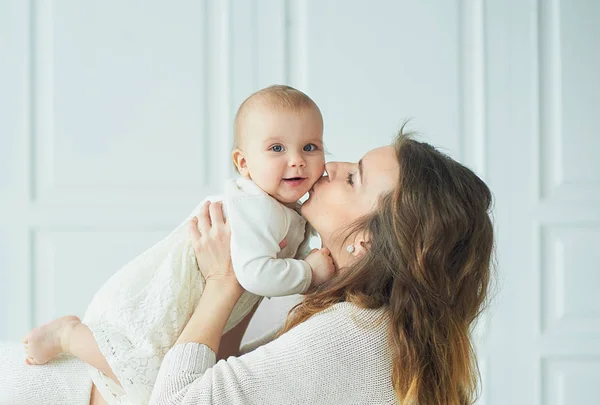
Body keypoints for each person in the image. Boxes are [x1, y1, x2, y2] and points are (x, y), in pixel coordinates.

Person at [17, 85, 336, 405]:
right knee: (152, 375)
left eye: (310, 147)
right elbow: (256, 274)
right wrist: (309, 271)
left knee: (186, 378)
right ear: (244, 163)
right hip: (174, 295)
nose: (296, 161)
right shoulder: (257, 208)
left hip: (206, 307)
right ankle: (69, 335)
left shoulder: (283, 208)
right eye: (277, 148)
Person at [143, 130, 495, 405]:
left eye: (353, 179)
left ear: (368, 240)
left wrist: (221, 283)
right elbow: (227, 378)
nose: (329, 167)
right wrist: (249, 274)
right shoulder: (368, 323)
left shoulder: (351, 335)